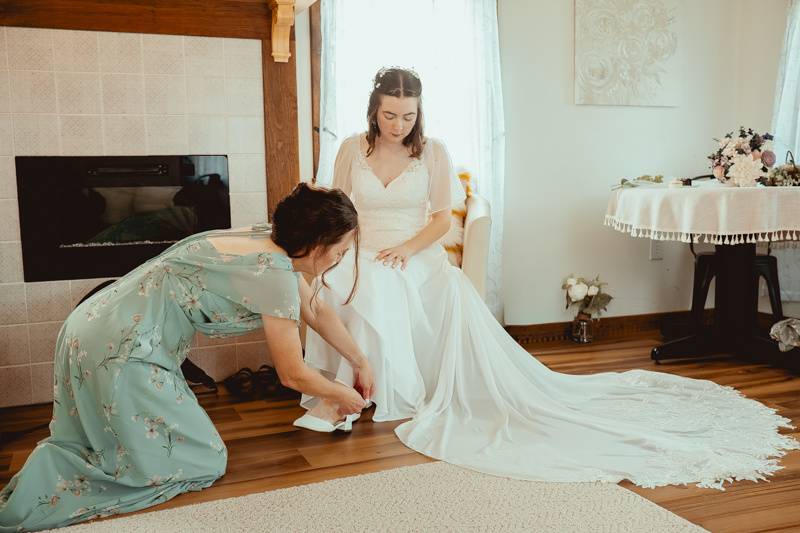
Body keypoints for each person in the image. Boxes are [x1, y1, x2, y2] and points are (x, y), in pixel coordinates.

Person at [298, 67, 799, 489]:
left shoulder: (432, 151)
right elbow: (339, 208)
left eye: (407, 116)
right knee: (341, 284)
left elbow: (442, 219)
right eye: (389, 115)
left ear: (419, 113)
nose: (398, 125)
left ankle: (375, 392)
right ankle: (344, 389)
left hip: (414, 251)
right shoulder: (350, 149)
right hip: (359, 248)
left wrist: (405, 250)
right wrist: (349, 249)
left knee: (391, 282)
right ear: (373, 109)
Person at [0, 183, 373, 532]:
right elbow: (292, 374)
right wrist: (342, 395)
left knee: (131, 445)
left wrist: (360, 361)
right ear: (318, 243)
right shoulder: (272, 273)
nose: (340, 258)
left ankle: (67, 466)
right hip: (122, 348)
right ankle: (55, 485)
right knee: (205, 461)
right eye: (340, 250)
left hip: (94, 323)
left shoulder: (268, 240)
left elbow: (316, 310)